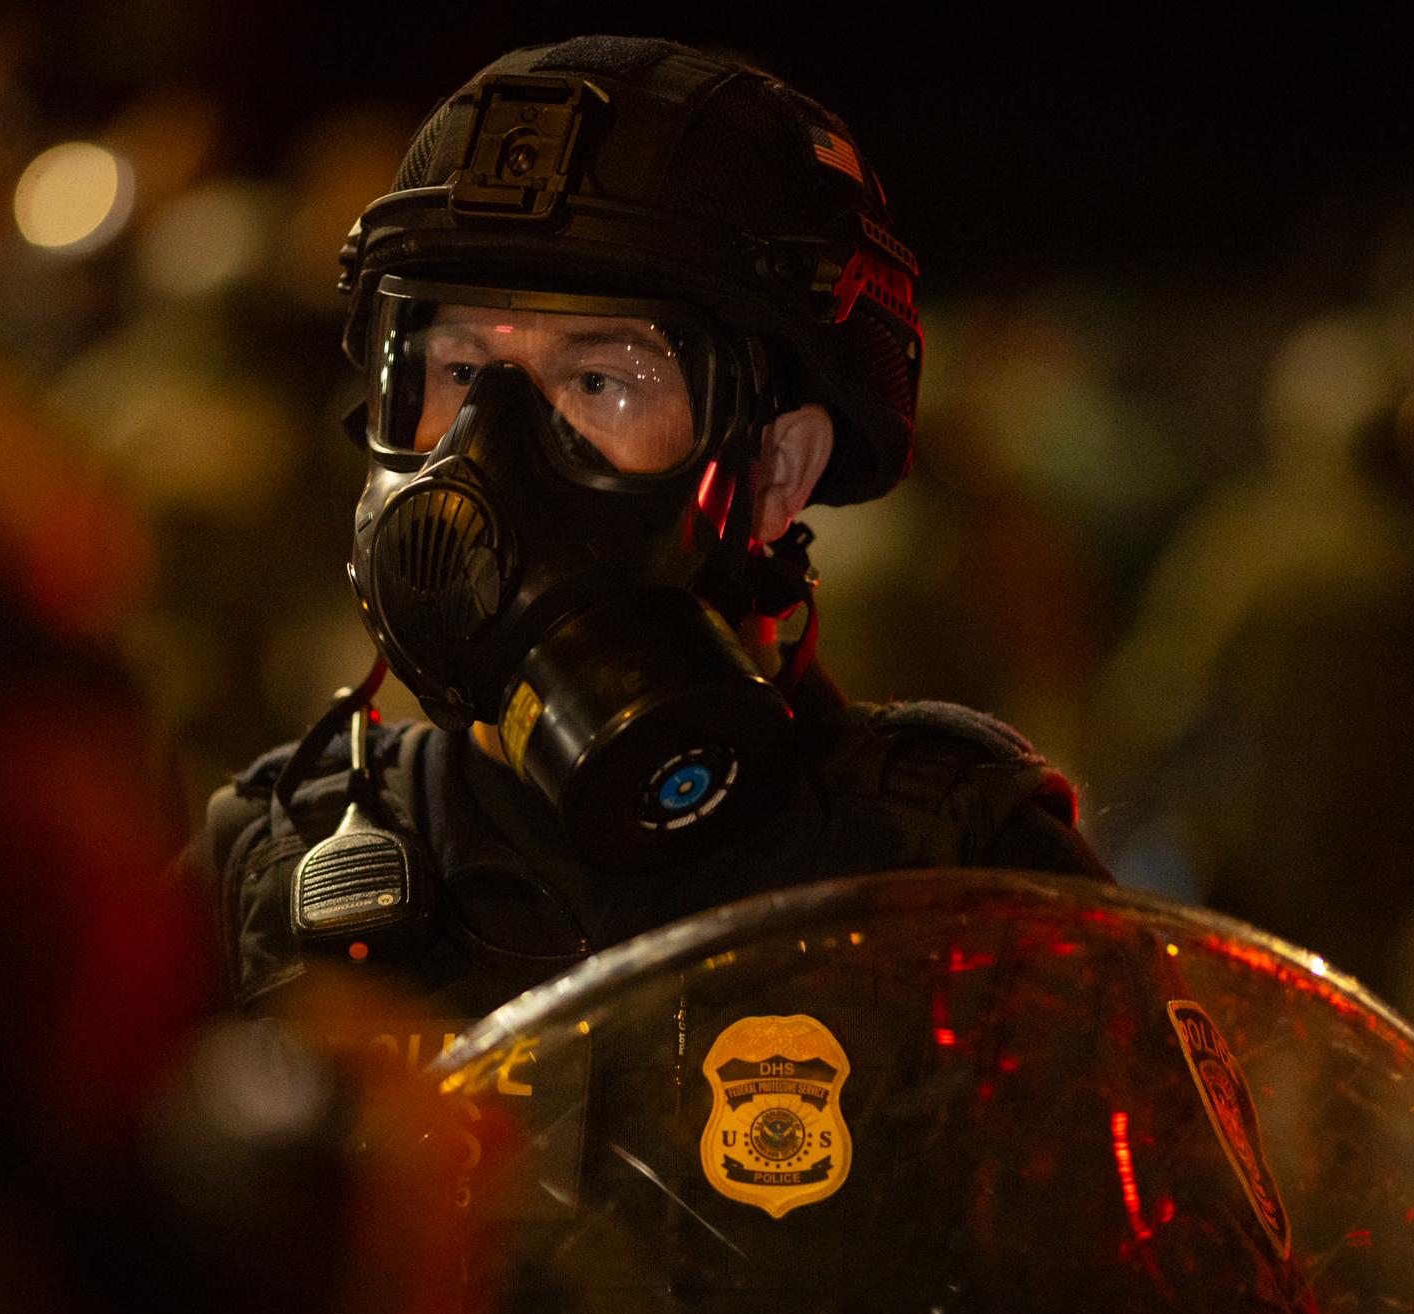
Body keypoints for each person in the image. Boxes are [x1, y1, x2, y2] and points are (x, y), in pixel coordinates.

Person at [190, 36, 1110, 1020]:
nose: (489, 451)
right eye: (457, 372)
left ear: (776, 470)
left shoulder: (954, 872)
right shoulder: (267, 872)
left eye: (598, 380)